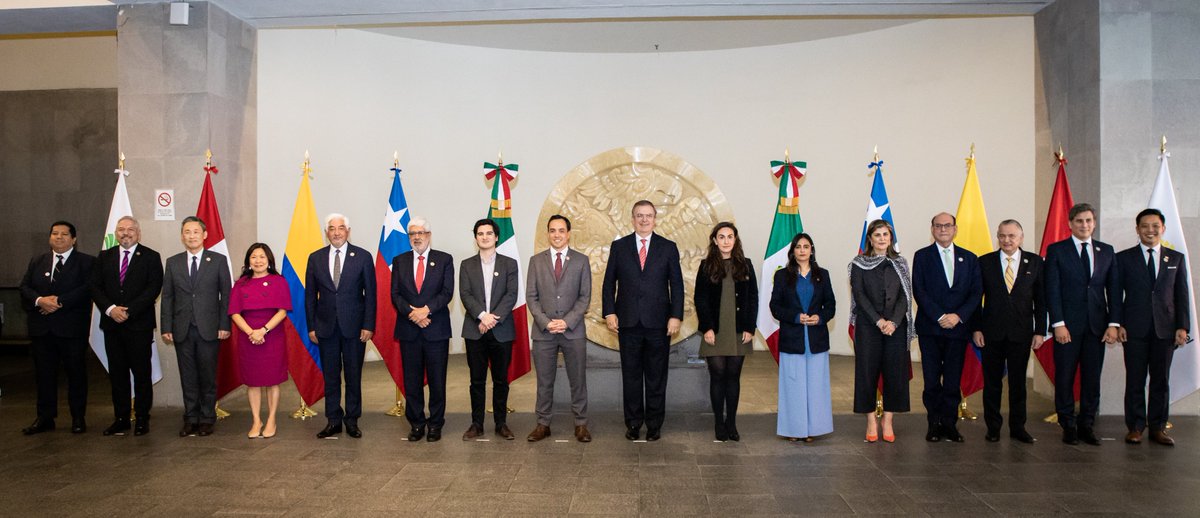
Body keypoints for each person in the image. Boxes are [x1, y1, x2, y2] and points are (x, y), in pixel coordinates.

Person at [602, 200, 684, 442]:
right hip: (627, 323)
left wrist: (676, 316)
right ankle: (634, 423)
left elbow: (676, 285)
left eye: (648, 215)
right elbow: (609, 283)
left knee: (657, 377)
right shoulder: (619, 246)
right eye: (640, 215)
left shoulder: (668, 247)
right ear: (633, 218)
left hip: (659, 324)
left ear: (655, 219)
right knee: (632, 377)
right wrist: (609, 312)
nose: (644, 220)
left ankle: (655, 424)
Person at [1044, 203, 1120, 445]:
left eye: (1088, 220)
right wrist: (1058, 323)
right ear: (1070, 224)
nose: (1084, 225)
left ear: (1094, 223)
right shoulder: (1057, 250)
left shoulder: (1106, 251)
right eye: (1079, 221)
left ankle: (1087, 424)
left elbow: (1114, 291)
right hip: (1067, 326)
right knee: (1065, 377)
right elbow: (1052, 289)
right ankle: (1067, 424)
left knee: (1092, 378)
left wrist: (1113, 324)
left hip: (1097, 327)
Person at [1116, 208, 1190, 446]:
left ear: (1163, 228)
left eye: (1155, 226)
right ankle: (1136, 427)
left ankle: (1157, 427)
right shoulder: (1123, 258)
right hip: (1134, 329)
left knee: (1161, 380)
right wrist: (1118, 324)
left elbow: (1181, 294)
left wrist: (1183, 326)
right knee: (1135, 380)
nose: (1150, 230)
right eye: (1145, 226)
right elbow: (1116, 295)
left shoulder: (1175, 258)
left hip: (1165, 329)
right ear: (1137, 230)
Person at [18, 221, 96, 435]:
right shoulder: (38, 261)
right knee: (44, 375)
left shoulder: (86, 262)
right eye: (54, 234)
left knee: (76, 374)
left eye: (64, 234)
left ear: (74, 239)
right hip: (42, 330)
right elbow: (24, 287)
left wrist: (59, 301)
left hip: (71, 329)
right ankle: (45, 417)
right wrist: (40, 300)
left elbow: (88, 288)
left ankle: (78, 417)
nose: (59, 237)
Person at [971, 220, 1045, 443]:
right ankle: (993, 427)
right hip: (991, 333)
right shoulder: (985, 262)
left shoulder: (1035, 261)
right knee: (992, 383)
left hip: (1021, 334)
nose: (1007, 240)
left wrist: (1040, 331)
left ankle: (1018, 427)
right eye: (1002, 235)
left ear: (1021, 237)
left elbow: (1041, 300)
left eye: (1012, 236)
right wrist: (976, 328)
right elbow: (976, 299)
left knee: (1018, 384)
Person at [305, 214, 376, 439]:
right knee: (331, 376)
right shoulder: (315, 258)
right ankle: (333, 420)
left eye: (341, 228)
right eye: (332, 228)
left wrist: (368, 325)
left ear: (348, 231)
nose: (336, 232)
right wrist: (312, 326)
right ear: (326, 232)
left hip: (355, 328)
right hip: (325, 328)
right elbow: (309, 297)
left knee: (353, 376)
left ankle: (352, 420)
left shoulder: (363, 257)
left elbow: (371, 295)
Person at [90, 216, 163, 436]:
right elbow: (94, 286)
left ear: (138, 233)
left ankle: (142, 418)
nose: (126, 233)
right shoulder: (104, 257)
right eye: (121, 229)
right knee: (118, 374)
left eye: (130, 229)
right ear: (116, 233)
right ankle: (121, 418)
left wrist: (128, 311)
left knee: (142, 373)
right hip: (113, 325)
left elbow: (153, 288)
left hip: (138, 325)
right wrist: (111, 309)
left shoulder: (150, 256)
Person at [911, 212, 981, 443]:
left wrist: (958, 316)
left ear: (955, 229)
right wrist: (940, 315)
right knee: (931, 380)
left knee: (952, 381)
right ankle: (933, 423)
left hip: (958, 330)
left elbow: (975, 293)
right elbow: (919, 290)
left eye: (947, 225)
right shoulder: (922, 256)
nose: (943, 229)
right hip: (931, 329)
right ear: (932, 229)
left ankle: (950, 424)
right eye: (938, 226)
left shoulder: (969, 258)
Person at [160, 217, 232, 437]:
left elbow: (226, 295)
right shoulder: (173, 262)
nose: (191, 236)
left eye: (195, 232)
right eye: (186, 232)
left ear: (204, 235)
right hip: (182, 328)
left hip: (209, 328)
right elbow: (168, 297)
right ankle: (191, 417)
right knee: (188, 376)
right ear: (182, 236)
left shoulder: (218, 260)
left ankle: (207, 417)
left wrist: (224, 324)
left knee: (208, 375)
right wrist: (166, 326)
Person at [525, 215, 592, 443]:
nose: (557, 234)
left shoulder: (581, 261)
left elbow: (585, 297)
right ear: (548, 233)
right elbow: (531, 298)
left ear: (569, 233)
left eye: (561, 230)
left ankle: (581, 424)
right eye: (552, 230)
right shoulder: (536, 261)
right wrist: (545, 322)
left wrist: (567, 321)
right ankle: (543, 424)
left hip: (573, 331)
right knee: (544, 381)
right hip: (544, 332)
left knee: (578, 379)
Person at [849, 219, 913, 443]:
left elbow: (905, 297)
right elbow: (859, 296)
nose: (882, 239)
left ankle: (887, 421)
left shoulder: (901, 263)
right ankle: (870, 421)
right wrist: (878, 321)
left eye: (886, 235)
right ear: (870, 239)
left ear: (891, 238)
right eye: (877, 235)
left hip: (896, 328)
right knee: (867, 374)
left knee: (895, 375)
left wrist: (893, 322)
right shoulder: (858, 263)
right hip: (869, 327)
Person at [391, 217, 455, 442]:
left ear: (429, 235)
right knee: (412, 380)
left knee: (438, 381)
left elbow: (447, 293)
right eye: (412, 234)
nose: (416, 237)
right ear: (409, 238)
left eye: (421, 233)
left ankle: (436, 423)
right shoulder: (399, 261)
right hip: (409, 330)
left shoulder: (444, 259)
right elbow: (395, 294)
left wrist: (425, 311)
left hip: (435, 329)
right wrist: (414, 315)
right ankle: (416, 423)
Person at [694, 222, 758, 442]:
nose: (726, 241)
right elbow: (700, 299)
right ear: (714, 240)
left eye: (730, 236)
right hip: (716, 330)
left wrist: (750, 327)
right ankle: (718, 424)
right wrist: (707, 327)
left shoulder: (746, 265)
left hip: (739, 330)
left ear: (735, 239)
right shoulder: (706, 266)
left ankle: (731, 422)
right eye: (721, 237)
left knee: (733, 377)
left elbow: (753, 299)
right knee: (718, 375)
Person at [770, 232, 835, 442]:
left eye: (806, 246)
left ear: (812, 250)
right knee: (793, 386)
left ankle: (813, 430)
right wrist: (796, 317)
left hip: (816, 339)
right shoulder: (782, 276)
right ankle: (794, 430)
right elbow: (775, 307)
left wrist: (820, 317)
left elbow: (831, 305)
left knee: (816, 387)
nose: (802, 250)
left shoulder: (822, 274)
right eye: (798, 247)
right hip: (792, 339)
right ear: (793, 251)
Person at [459, 218, 520, 441]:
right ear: (476, 238)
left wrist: (493, 318)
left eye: (488, 233)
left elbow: (511, 294)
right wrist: (482, 316)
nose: (484, 237)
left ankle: (501, 423)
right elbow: (465, 294)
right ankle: (476, 424)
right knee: (476, 381)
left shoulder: (509, 263)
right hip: (475, 330)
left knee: (501, 380)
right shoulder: (467, 264)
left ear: (496, 237)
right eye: (480, 234)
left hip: (501, 328)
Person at [229, 243, 291, 439]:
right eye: (254, 257)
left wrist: (263, 331)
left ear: (269, 260)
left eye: (262, 257)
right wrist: (251, 332)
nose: (258, 261)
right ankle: (256, 420)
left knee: (273, 381)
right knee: (253, 382)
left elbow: (282, 311)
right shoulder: (240, 284)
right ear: (248, 261)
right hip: (248, 337)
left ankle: (271, 418)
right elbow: (234, 313)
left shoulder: (278, 281)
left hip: (272, 335)